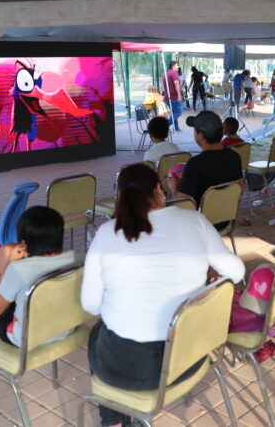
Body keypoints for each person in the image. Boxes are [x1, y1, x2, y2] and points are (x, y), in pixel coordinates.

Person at [83, 164, 245, 427]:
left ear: (121, 196)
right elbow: (236, 272)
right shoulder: (194, 221)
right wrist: (209, 280)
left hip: (130, 369)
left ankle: (113, 420)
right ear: (159, 190)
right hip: (189, 359)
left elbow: (90, 305)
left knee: (97, 333)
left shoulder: (107, 233)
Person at [0, 206, 77, 346]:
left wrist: (8, 265)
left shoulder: (18, 269)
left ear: (23, 243)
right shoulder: (75, 259)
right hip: (64, 329)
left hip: (25, 338)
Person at [168, 111, 244, 210]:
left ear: (200, 136)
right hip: (227, 215)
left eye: (194, 130)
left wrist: (173, 188)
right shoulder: (234, 156)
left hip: (200, 218)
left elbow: (181, 204)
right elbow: (240, 190)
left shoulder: (195, 164)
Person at [163, 60, 183, 132]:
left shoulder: (166, 74)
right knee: (178, 112)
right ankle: (165, 125)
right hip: (174, 97)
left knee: (174, 113)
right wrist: (179, 95)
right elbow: (176, 84)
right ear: (173, 66)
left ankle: (176, 127)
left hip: (168, 97)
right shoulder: (174, 73)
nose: (178, 67)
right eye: (177, 65)